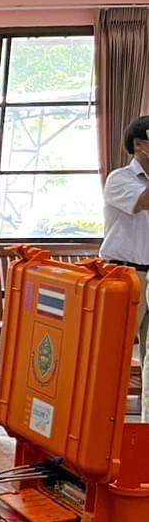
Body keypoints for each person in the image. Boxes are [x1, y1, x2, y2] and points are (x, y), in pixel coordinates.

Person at [102, 115, 149, 390]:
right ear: (139, 144)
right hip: (125, 273)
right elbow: (145, 201)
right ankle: (103, 407)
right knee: (115, 349)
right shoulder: (119, 178)